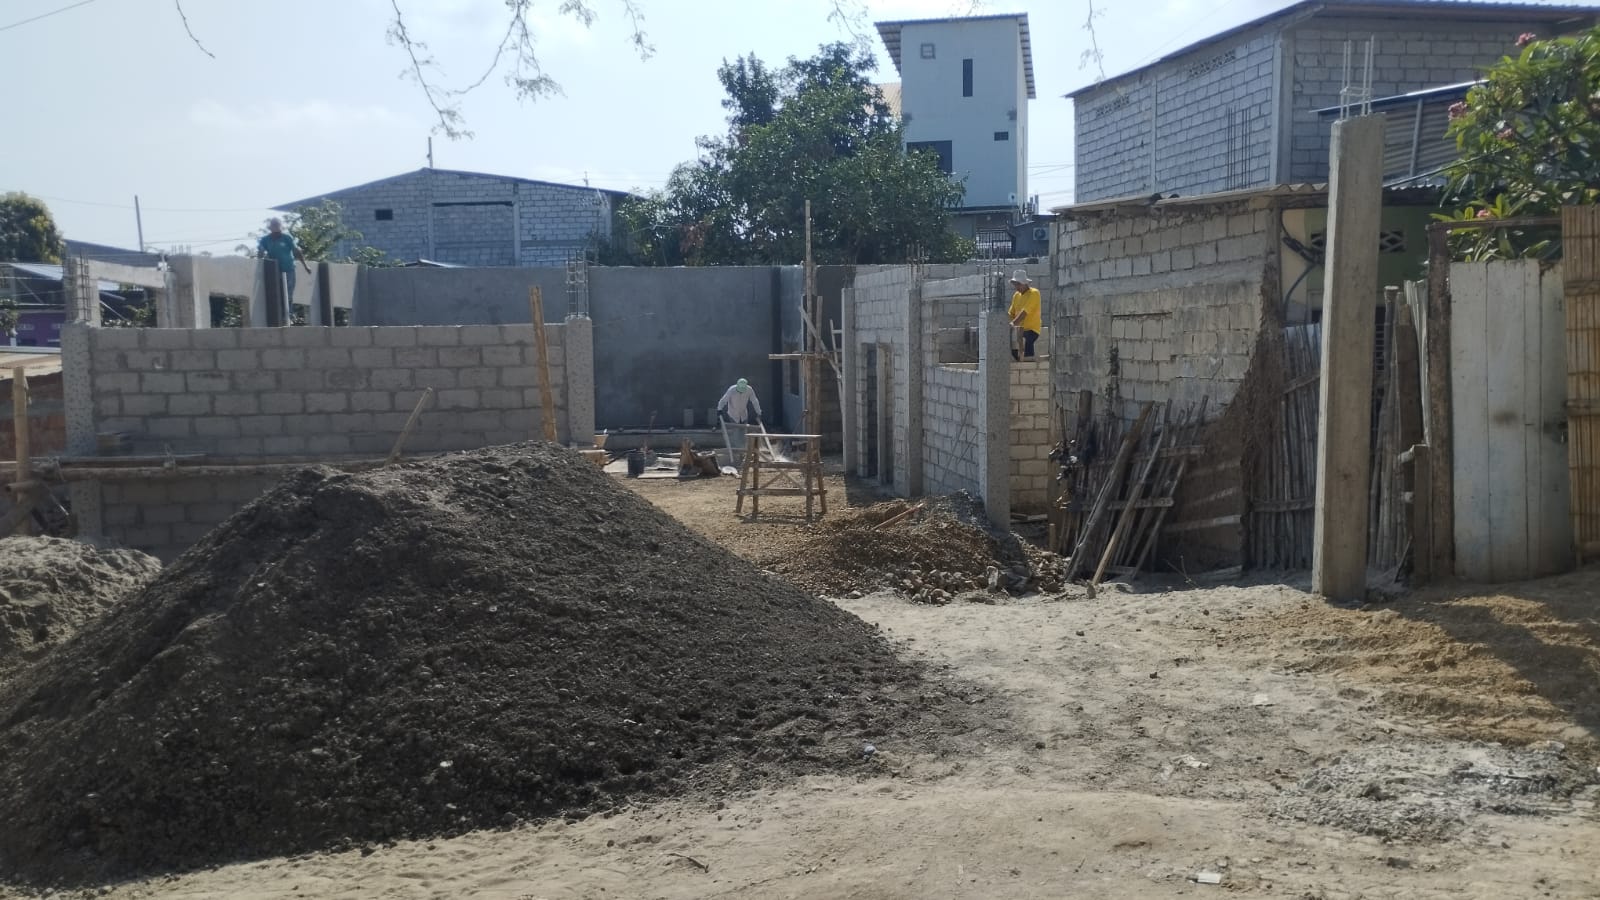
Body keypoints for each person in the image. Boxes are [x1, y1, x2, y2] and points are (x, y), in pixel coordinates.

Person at [257, 218, 311, 325]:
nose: (276, 228)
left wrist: (305, 266)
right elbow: (260, 252)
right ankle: (278, 316)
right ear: (270, 228)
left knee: (288, 294)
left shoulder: (286, 237)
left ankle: (288, 316)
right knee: (276, 293)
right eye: (274, 226)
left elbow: (296, 251)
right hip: (274, 270)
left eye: (278, 226)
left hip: (288, 269)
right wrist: (260, 258)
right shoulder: (265, 239)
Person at [1008, 269, 1042, 361]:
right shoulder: (1016, 295)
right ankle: (1018, 361)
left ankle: (1029, 363)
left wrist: (1013, 324)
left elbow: (1025, 312)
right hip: (1018, 330)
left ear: (1025, 283)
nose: (1016, 287)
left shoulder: (1034, 293)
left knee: (1027, 340)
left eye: (1018, 284)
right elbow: (1011, 313)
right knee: (1013, 345)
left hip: (1031, 329)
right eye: (1015, 284)